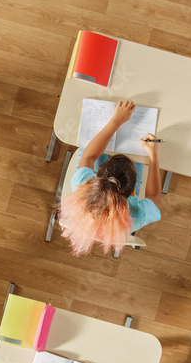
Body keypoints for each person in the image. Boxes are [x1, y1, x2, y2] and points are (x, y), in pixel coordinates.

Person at [59, 100, 161, 256]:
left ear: (96, 177)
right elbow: (153, 196)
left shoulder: (82, 188)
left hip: (88, 212)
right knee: (136, 153)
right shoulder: (137, 216)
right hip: (102, 214)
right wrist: (152, 155)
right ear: (133, 192)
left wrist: (116, 121)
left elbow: (89, 155)